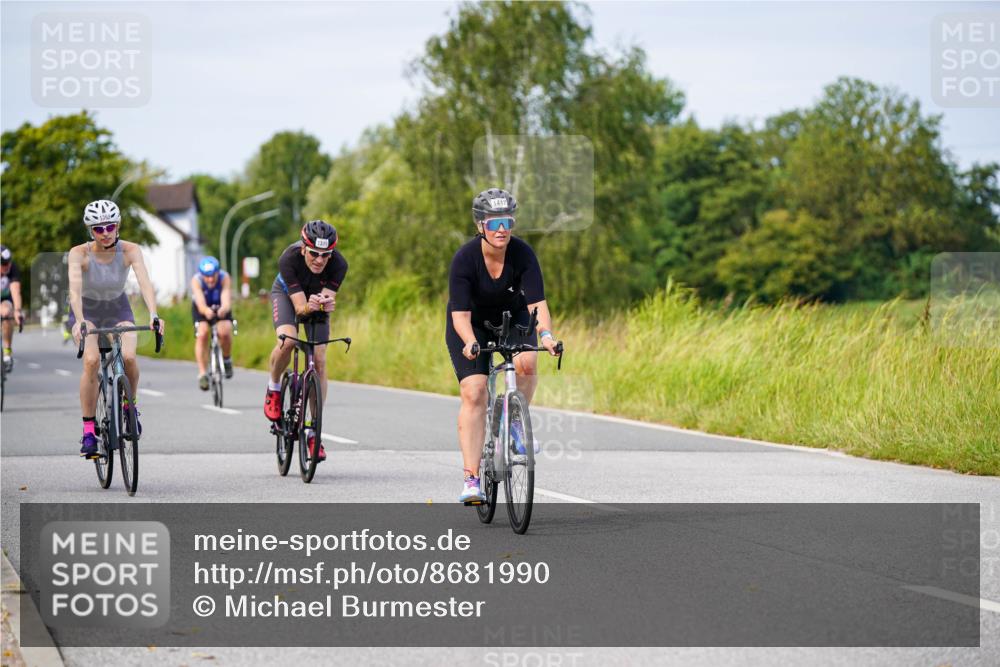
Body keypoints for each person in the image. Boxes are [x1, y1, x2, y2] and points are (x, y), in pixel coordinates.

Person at [447, 188, 560, 504]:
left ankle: (513, 424)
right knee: (474, 391)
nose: (501, 230)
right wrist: (470, 343)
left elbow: (538, 302)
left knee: (526, 363)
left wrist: (547, 335)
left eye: (507, 222)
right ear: (480, 225)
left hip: (515, 317)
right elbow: (460, 315)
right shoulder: (465, 259)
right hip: (472, 324)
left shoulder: (523, 254)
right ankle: (472, 479)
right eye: (494, 223)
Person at [68, 200, 164, 459]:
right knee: (91, 360)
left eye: (110, 226)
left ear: (118, 225)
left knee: (130, 356)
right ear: (91, 231)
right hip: (87, 310)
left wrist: (154, 314)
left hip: (117, 306)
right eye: (99, 229)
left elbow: (144, 282)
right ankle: (89, 431)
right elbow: (74, 292)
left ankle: (128, 407)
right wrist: (80, 320)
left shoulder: (131, 250)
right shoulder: (79, 253)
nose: (106, 232)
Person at [263, 220, 347, 463]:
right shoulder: (288, 259)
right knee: (288, 341)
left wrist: (326, 303)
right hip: (289, 297)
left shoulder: (339, 265)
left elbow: (326, 300)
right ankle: (274, 387)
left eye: (325, 255)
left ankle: (313, 432)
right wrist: (312, 305)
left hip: (313, 302)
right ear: (303, 249)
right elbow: (300, 308)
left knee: (319, 359)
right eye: (314, 254)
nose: (319, 260)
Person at [191, 256, 234, 390]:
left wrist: (223, 309)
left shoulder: (224, 277)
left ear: (217, 272)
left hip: (220, 305)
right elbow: (199, 301)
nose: (210, 279)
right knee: (202, 333)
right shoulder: (196, 280)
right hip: (202, 307)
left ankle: (226, 359)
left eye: (213, 276)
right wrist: (205, 310)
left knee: (225, 331)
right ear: (202, 275)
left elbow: (226, 299)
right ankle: (203, 373)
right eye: (206, 276)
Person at [0, 245, 25, 371]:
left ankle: (7, 352)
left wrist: (18, 311)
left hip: (5, 300)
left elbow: (15, 290)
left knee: (7, 311)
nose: (7, 266)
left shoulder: (12, 268)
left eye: (9, 262)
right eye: (4, 264)